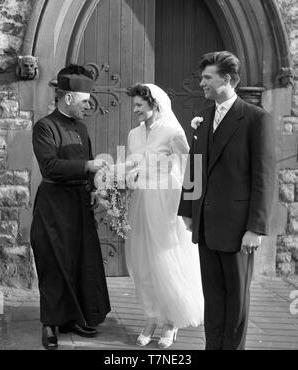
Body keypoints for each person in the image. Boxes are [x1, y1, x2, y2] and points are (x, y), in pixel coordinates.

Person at [178, 51, 276, 350]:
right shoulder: (203, 117)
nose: (202, 84)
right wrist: (187, 208)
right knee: (214, 297)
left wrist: (256, 228)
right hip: (206, 226)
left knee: (236, 301)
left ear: (228, 79)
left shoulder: (256, 119)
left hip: (238, 229)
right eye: (202, 78)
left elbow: (264, 177)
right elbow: (194, 167)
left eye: (208, 78)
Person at [30, 64, 111, 350]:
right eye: (84, 101)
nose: (88, 105)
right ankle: (51, 324)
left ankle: (73, 318)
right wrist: (87, 165)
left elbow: (88, 165)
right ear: (67, 98)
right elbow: (49, 165)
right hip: (54, 206)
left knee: (79, 261)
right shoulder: (45, 127)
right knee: (53, 263)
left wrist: (93, 189)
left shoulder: (82, 127)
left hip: (79, 202)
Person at [125, 83, 204, 349]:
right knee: (143, 262)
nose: (135, 109)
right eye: (134, 104)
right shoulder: (133, 134)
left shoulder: (172, 132)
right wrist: (127, 175)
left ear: (154, 104)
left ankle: (171, 321)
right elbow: (132, 164)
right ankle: (151, 318)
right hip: (141, 202)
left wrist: (188, 208)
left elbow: (191, 170)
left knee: (166, 260)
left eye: (139, 105)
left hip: (167, 204)